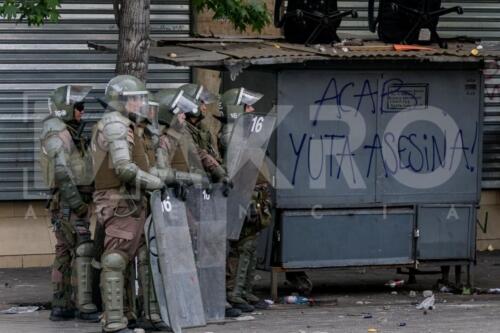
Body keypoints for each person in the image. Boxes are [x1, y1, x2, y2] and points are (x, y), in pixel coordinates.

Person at [91, 75, 165, 333]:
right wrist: (156, 183)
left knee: (145, 257)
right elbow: (124, 169)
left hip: (133, 200)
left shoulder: (129, 125)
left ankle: (147, 313)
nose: (139, 103)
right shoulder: (115, 124)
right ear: (119, 100)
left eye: (140, 98)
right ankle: (113, 320)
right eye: (134, 98)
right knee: (116, 259)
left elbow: (143, 165)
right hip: (119, 201)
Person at [40, 85, 99, 322]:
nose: (82, 112)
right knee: (83, 248)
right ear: (66, 109)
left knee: (64, 252)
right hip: (70, 202)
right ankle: (85, 306)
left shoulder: (67, 132)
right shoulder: (58, 134)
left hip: (68, 202)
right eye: (79, 107)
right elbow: (63, 173)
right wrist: (79, 205)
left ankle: (61, 304)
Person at [218, 87, 273, 312]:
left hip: (255, 193)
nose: (252, 110)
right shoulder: (231, 133)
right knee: (242, 246)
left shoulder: (243, 133)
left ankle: (243, 290)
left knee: (249, 246)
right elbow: (236, 168)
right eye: (247, 106)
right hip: (243, 194)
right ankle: (234, 292)